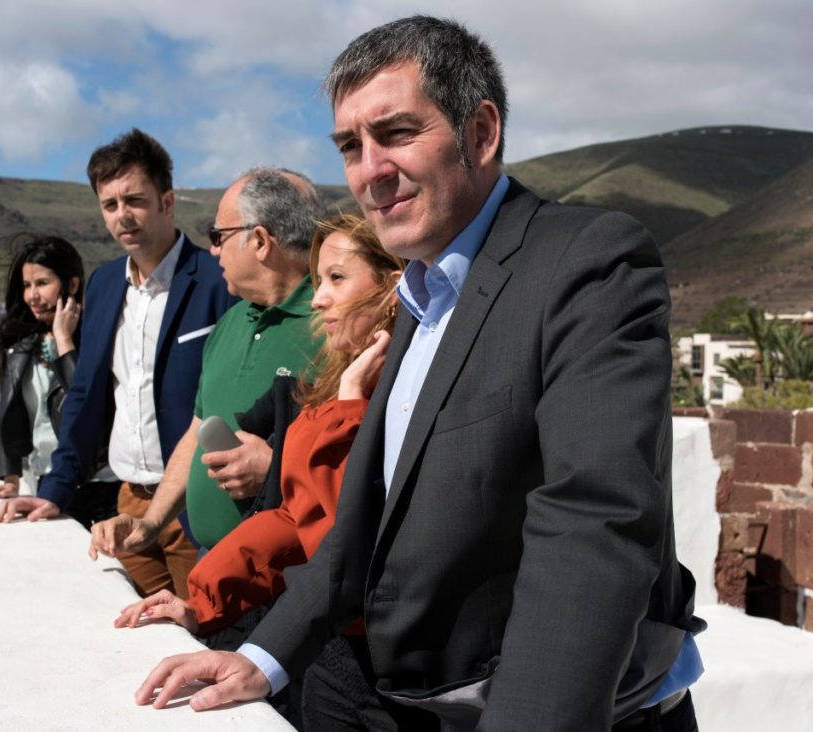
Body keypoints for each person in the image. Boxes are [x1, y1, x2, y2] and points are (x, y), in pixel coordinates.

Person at [134, 16, 706, 731]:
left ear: (481, 132)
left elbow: (594, 527)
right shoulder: (422, 293)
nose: (370, 170)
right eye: (350, 146)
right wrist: (264, 655)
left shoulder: (586, 261)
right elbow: (364, 525)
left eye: (397, 133)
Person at [112, 215, 402, 729]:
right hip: (328, 651)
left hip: (396, 665)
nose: (318, 298)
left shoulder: (402, 390)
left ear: (393, 285)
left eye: (337, 278)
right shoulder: (330, 383)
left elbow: (345, 537)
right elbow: (292, 519)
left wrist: (351, 403)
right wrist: (199, 603)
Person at [0, 129, 235, 600]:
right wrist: (54, 490)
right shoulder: (104, 286)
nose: (122, 216)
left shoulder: (215, 279)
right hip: (126, 505)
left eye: (135, 200)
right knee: (141, 636)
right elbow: (85, 395)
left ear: (167, 201)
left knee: (205, 640)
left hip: (197, 504)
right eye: (110, 204)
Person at [88, 167, 325, 562]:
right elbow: (198, 430)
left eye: (219, 236)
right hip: (214, 562)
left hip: (287, 580)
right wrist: (151, 523)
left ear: (261, 241)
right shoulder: (232, 320)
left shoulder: (334, 325)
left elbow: (367, 459)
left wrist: (277, 468)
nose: (213, 249)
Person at [0, 235, 110, 527]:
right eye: (26, 285)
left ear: (71, 285)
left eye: (42, 283)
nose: (32, 295)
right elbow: (6, 412)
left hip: (96, 489)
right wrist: (10, 480)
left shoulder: (96, 339)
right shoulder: (21, 347)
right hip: (42, 486)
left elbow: (87, 406)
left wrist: (64, 340)